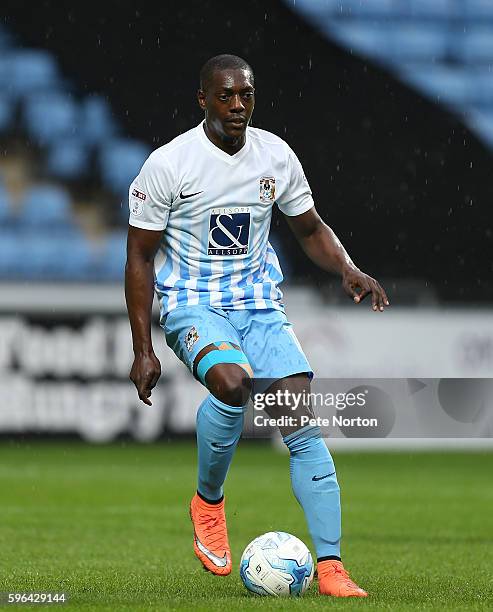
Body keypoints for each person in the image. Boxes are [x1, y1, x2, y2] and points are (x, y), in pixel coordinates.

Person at [125, 54, 389, 598]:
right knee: (232, 383)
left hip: (259, 304)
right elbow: (139, 258)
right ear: (203, 100)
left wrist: (347, 268)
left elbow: (310, 227)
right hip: (193, 303)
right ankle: (209, 502)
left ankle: (333, 567)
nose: (238, 104)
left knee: (298, 411)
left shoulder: (276, 155)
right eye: (226, 95)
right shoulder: (170, 164)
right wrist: (143, 348)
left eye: (246, 93)